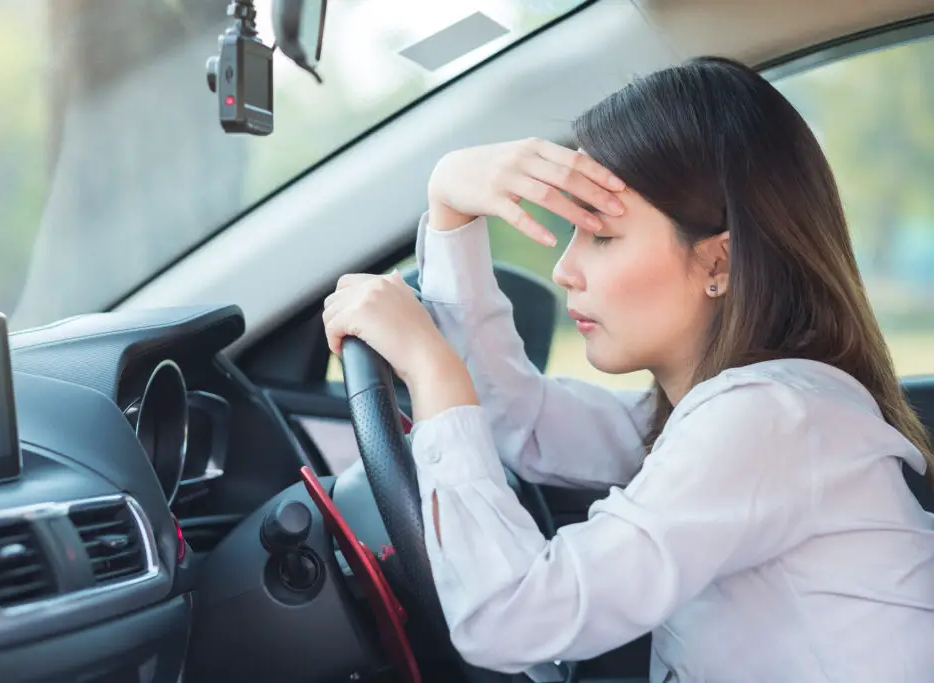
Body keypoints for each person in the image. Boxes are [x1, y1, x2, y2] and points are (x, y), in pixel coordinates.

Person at [322, 56, 934, 682]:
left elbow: (512, 617)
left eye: (602, 237)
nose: (564, 270)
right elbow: (525, 422)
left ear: (718, 264)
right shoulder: (737, 411)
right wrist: (450, 204)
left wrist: (431, 369)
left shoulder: (769, 418)